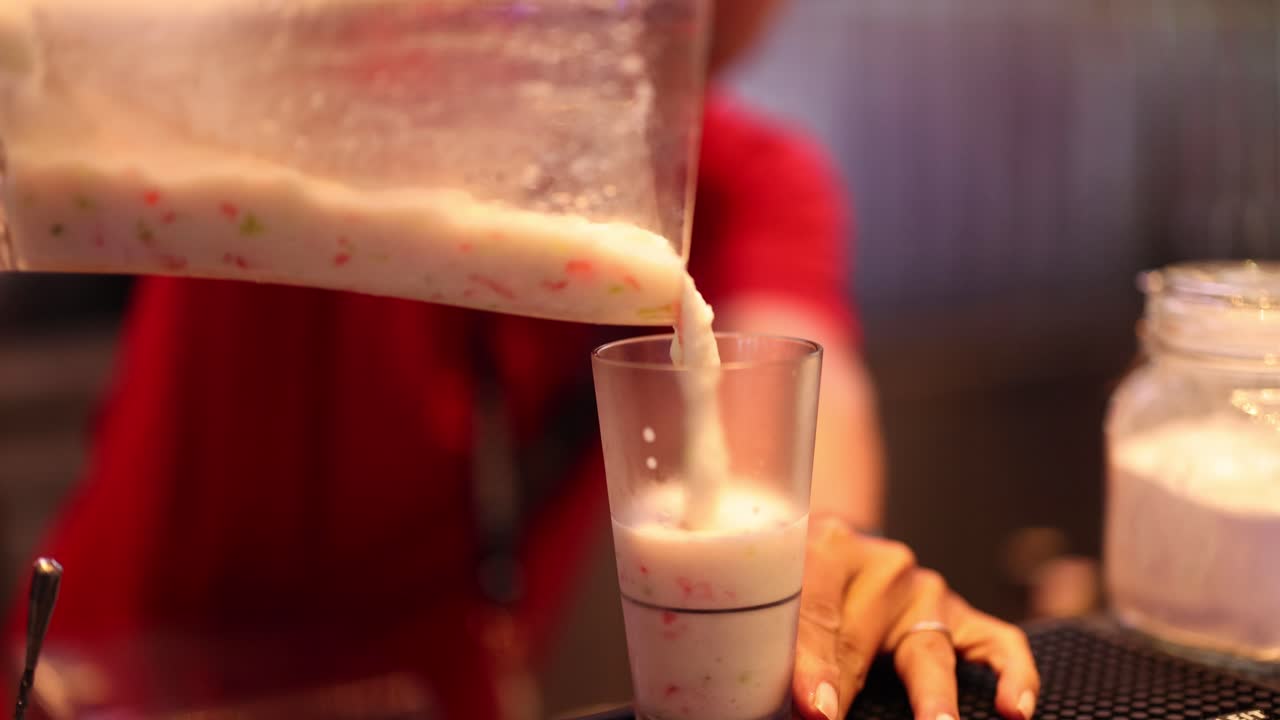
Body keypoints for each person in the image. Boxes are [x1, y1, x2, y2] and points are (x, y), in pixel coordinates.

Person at [7, 2, 1039, 719]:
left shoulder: (747, 186)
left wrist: (831, 569)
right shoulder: (315, 85)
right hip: (107, 682)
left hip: (433, 704)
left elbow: (807, 432)